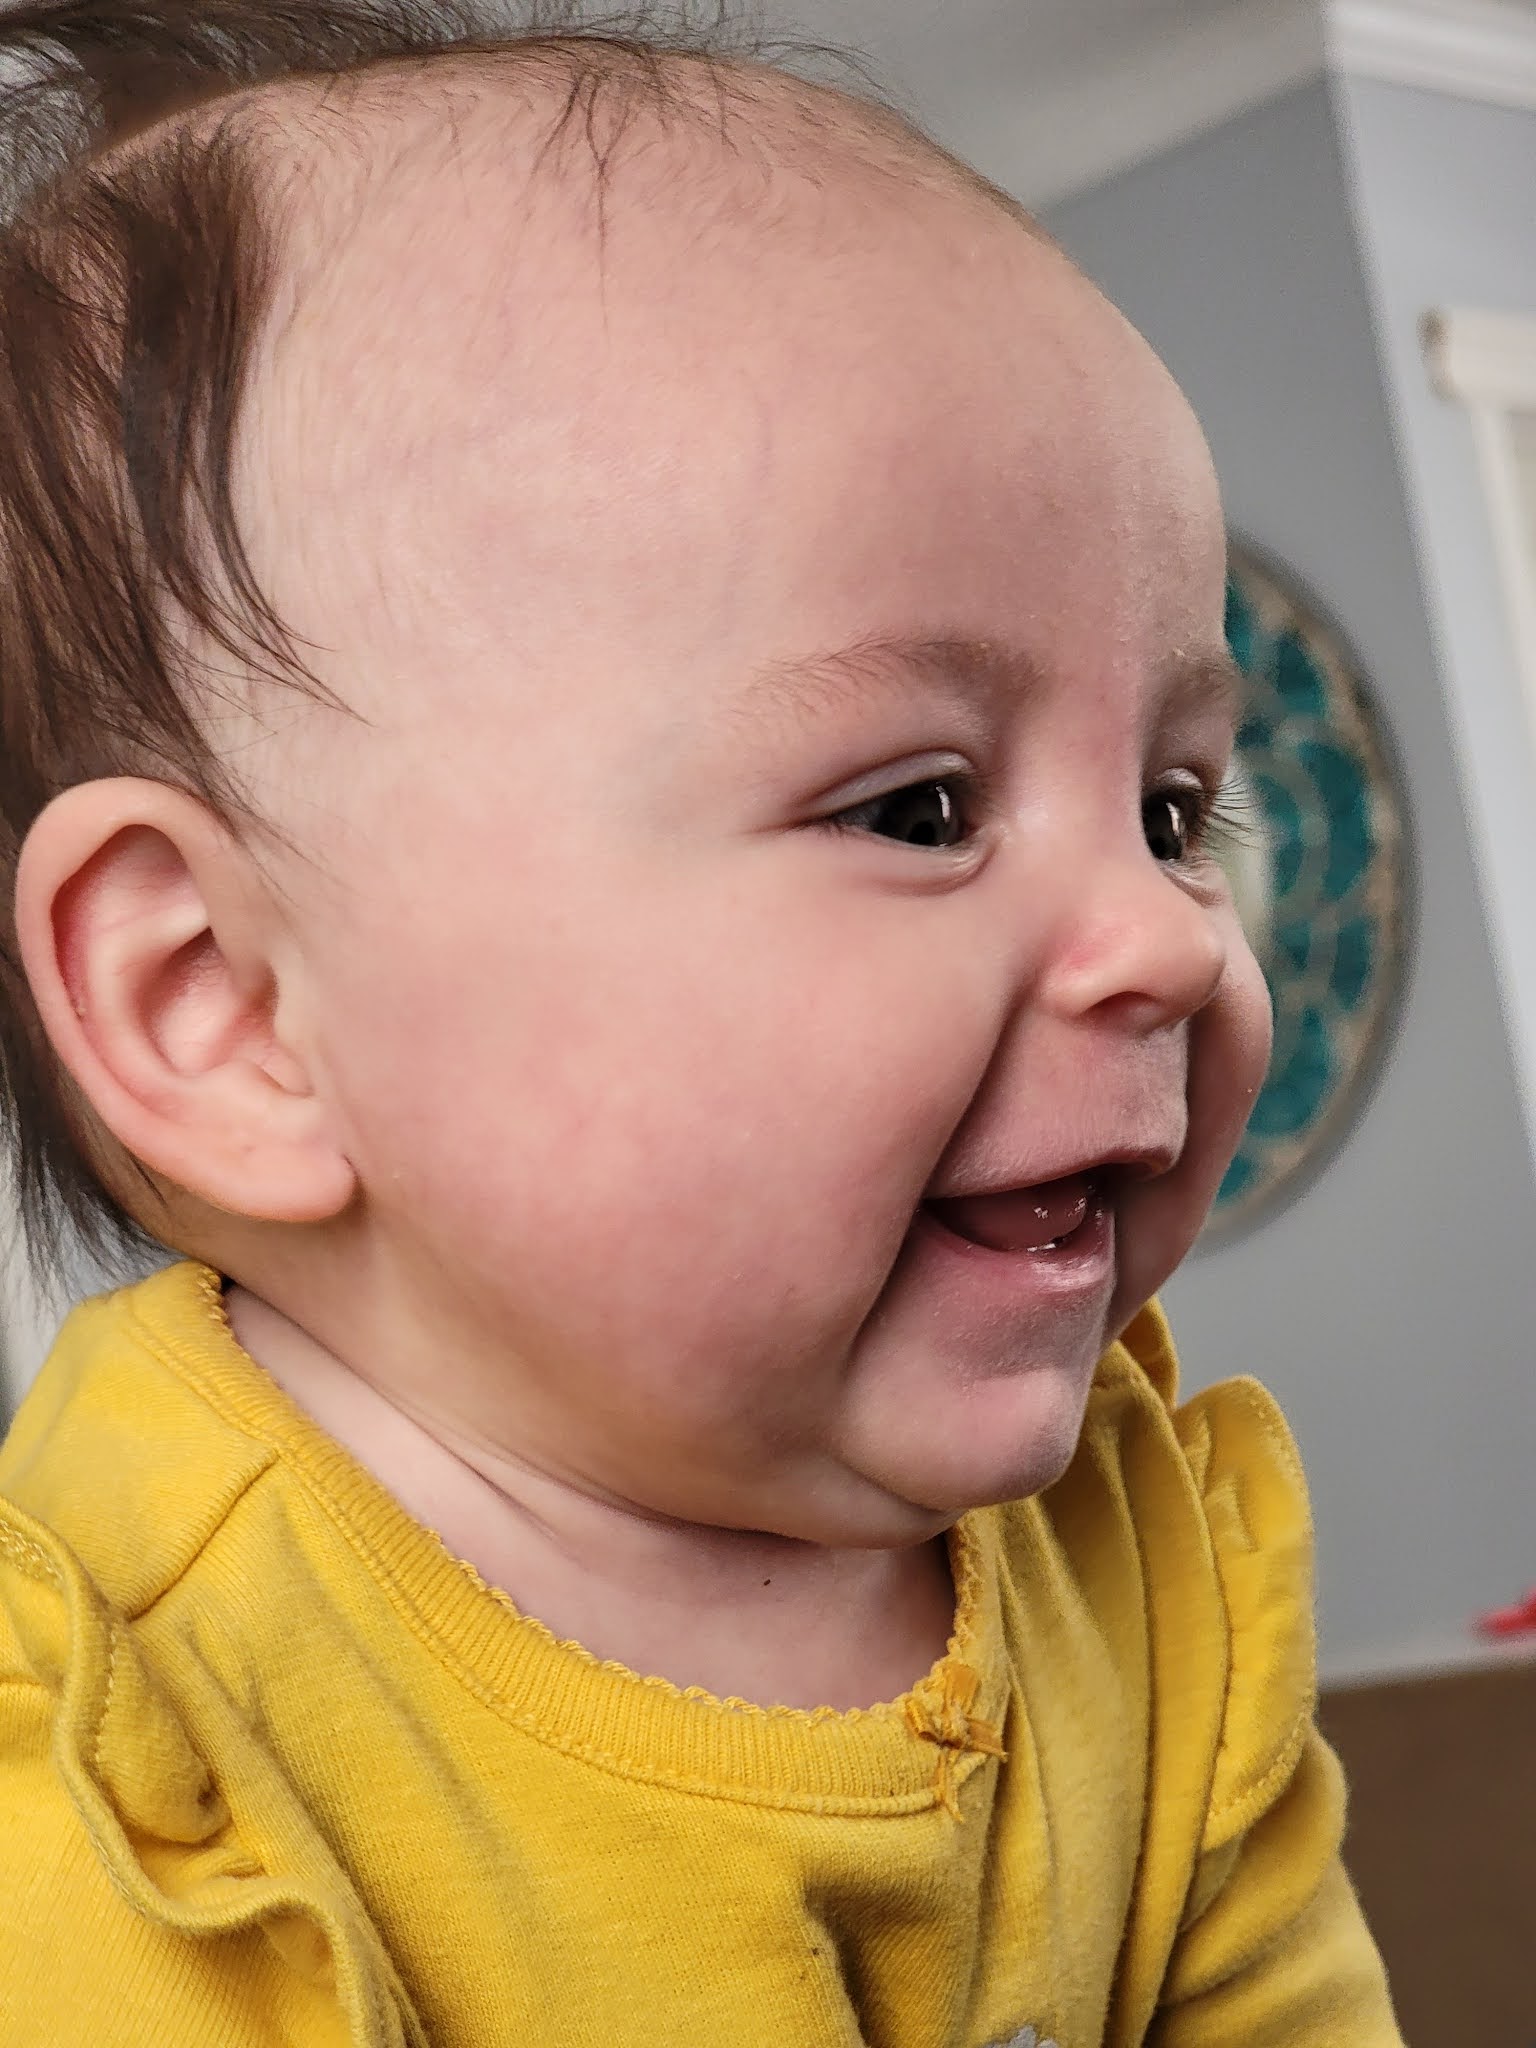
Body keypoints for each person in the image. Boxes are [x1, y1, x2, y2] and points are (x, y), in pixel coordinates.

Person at [0, 4, 1403, 2042]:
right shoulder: (122, 1773)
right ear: (223, 1008)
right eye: (918, 808)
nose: (1170, 944)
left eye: (1176, 812)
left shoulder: (1145, 1558)